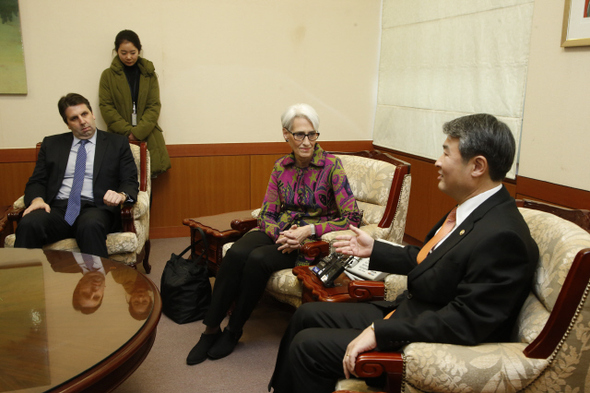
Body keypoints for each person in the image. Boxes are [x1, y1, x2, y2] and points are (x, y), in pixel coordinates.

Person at [268, 113, 540, 393]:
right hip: (409, 312)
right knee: (306, 315)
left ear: (477, 166)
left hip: (424, 340)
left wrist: (379, 331)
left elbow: (466, 322)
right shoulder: (473, 212)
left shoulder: (503, 236)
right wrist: (375, 249)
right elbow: (432, 260)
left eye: (446, 153)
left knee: (307, 346)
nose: (437, 162)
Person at [186, 103, 362, 365]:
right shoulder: (281, 166)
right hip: (281, 232)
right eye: (300, 134)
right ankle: (211, 329)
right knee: (236, 253)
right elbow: (267, 212)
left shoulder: (331, 166)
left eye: (312, 134)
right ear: (286, 135)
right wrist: (283, 233)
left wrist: (307, 231)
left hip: (311, 242)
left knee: (258, 260)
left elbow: (353, 217)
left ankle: (234, 330)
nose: (306, 141)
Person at [14, 93, 139, 258]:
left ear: (92, 114)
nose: (82, 121)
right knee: (29, 223)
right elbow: (37, 181)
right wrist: (37, 199)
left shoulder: (117, 143)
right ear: (67, 124)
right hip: (57, 209)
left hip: (95, 208)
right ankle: (23, 281)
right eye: (74, 118)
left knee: (90, 225)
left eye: (85, 114)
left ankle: (96, 282)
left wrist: (121, 195)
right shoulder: (51, 144)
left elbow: (129, 181)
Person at [99, 29, 171, 177]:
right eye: (123, 53)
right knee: (120, 185)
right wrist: (128, 132)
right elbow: (106, 107)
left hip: (147, 137)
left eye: (133, 52)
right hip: (118, 137)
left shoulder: (149, 74)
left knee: (147, 187)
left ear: (139, 50)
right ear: (116, 51)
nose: (129, 57)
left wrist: (137, 133)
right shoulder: (108, 76)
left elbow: (154, 106)